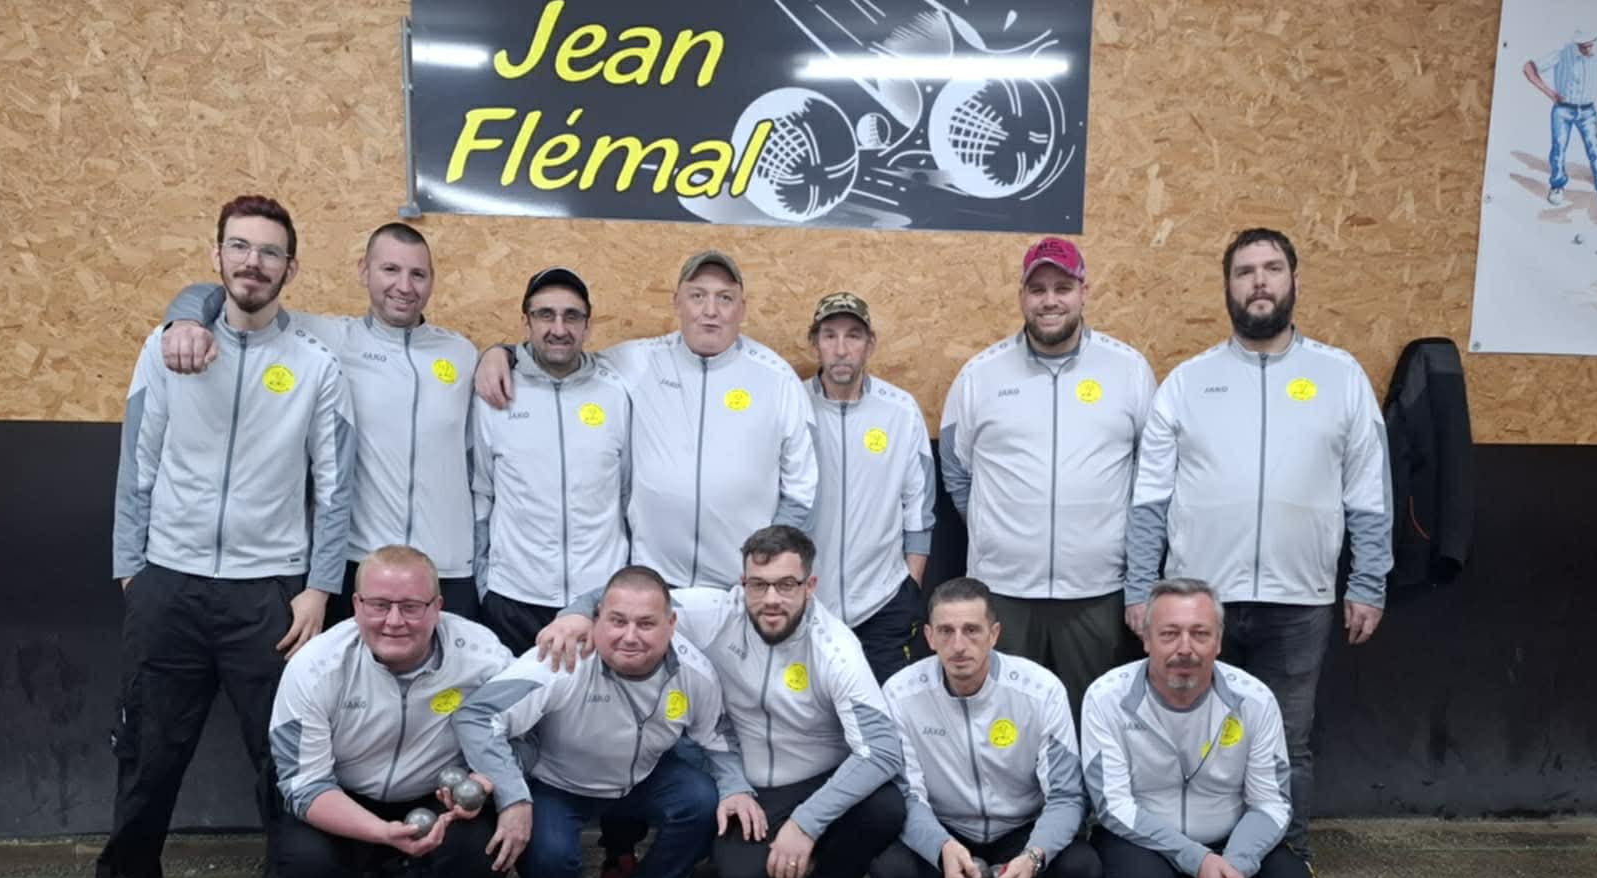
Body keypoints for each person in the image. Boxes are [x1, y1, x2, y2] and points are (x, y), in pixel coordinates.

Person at [61, 194, 352, 878]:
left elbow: (335, 488)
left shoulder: (316, 365)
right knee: (148, 753)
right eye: (240, 247)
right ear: (217, 255)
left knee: (282, 754)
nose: (254, 263)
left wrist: (318, 588)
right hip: (170, 586)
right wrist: (133, 568)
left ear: (291, 268)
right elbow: (138, 463)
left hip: (269, 592)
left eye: (269, 252)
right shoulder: (167, 348)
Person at [1126, 227, 1389, 878]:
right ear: (1228, 286)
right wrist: (1139, 588)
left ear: (1294, 280)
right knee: (1188, 742)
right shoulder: (1189, 382)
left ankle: (1288, 874)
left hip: (1300, 600)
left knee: (1285, 748)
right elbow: (1149, 499)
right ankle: (1188, 877)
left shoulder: (1340, 377)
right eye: (1245, 271)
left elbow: (1369, 490)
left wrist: (1369, 580)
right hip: (1197, 607)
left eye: (1272, 268)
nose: (1260, 282)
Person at [538, 526, 904, 878]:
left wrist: (807, 823)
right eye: (758, 585)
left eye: (786, 585)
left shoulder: (836, 647)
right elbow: (635, 599)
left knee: (885, 807)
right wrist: (574, 615)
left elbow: (882, 750)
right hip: (748, 785)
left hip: (817, 780)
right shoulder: (715, 611)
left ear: (810, 586)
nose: (771, 599)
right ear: (741, 583)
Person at [156, 222, 482, 620]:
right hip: (359, 565)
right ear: (363, 271)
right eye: (390, 270)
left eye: (418, 274)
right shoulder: (325, 338)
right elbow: (231, 295)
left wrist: (503, 354)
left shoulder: (462, 354)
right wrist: (185, 319)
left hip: (447, 569)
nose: (404, 286)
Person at [454, 564, 751, 878]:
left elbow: (717, 736)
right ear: (596, 619)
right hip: (559, 783)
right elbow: (477, 715)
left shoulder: (695, 672)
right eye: (617, 621)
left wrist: (736, 788)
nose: (630, 636)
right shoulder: (561, 659)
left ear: (671, 625)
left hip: (643, 778)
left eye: (646, 623)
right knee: (552, 855)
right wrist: (513, 797)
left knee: (702, 801)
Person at [474, 249, 816, 587]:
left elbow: (801, 489)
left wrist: (766, 565)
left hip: (741, 584)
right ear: (677, 303)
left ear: (742, 308)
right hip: (654, 582)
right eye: (697, 296)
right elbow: (562, 355)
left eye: (725, 298)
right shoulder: (637, 361)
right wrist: (501, 353)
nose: (710, 311)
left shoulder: (776, 378)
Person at [265, 545, 514, 878]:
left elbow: (525, 731)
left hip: (438, 795)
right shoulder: (313, 667)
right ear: (356, 604)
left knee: (484, 846)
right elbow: (303, 785)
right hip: (342, 794)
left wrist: (487, 780)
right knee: (303, 860)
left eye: (411, 606)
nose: (394, 621)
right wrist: (381, 832)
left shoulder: (484, 656)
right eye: (379, 605)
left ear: (437, 607)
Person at [939, 238, 1157, 718]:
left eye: (1063, 287)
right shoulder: (980, 375)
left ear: (1084, 292)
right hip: (1004, 591)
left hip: (1096, 590)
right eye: (1037, 289)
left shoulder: (1129, 371)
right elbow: (956, 470)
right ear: (1022, 296)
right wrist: (998, 529)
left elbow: (1151, 476)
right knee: (1008, 722)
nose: (1050, 300)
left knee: (1092, 719)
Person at [1083, 579, 1318, 878]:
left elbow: (1271, 802)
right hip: (1143, 841)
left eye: (1200, 633)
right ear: (1146, 640)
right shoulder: (1106, 697)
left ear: (1219, 642)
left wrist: (1233, 868)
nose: (1185, 648)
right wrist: (1199, 861)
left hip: (1227, 841)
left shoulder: (1255, 699)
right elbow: (1112, 805)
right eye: (1169, 634)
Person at [870, 577, 1101, 878]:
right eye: (946, 631)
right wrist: (940, 847)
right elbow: (906, 793)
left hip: (1019, 828)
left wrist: (1032, 857)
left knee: (1083, 872)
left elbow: (1066, 795)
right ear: (929, 637)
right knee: (891, 871)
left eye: (972, 630)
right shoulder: (900, 693)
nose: (959, 645)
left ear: (994, 634)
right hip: (945, 826)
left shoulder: (1041, 690)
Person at [470, 266, 634, 653]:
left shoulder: (615, 393)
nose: (559, 328)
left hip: (598, 597)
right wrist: (484, 584)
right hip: (513, 598)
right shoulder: (495, 391)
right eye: (545, 314)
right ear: (525, 321)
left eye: (571, 316)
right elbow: (481, 494)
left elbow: (628, 493)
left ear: (587, 326)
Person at [800, 291, 935, 682]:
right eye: (830, 336)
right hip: (806, 604)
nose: (841, 349)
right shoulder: (792, 403)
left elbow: (918, 505)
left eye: (853, 336)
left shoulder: (900, 410)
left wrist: (910, 585)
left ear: (870, 344)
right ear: (815, 343)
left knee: (884, 710)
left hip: (883, 603)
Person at [1523, 28, 1597, 209]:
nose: (1588, 50)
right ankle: (1557, 186)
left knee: (1595, 149)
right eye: (1583, 46)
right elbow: (1528, 68)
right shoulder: (1562, 54)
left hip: (1588, 110)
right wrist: (1550, 93)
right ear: (1576, 44)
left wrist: (1592, 79)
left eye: (1590, 45)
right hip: (1563, 110)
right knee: (1559, 148)